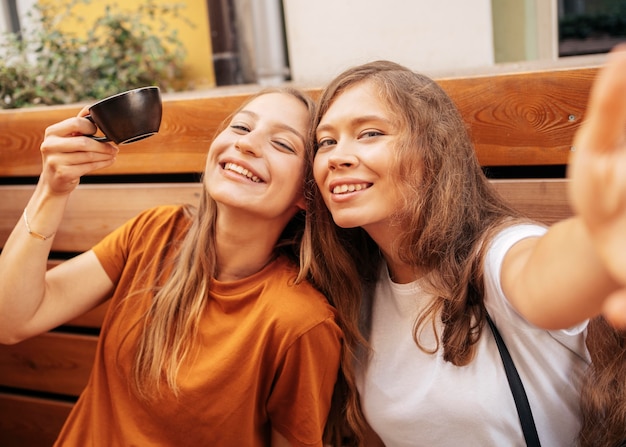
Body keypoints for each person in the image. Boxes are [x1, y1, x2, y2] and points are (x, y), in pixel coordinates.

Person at [307, 45, 626, 446]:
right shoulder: (359, 292)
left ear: (433, 151)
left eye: (370, 133)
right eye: (325, 142)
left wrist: (600, 235)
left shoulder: (495, 255)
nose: (337, 156)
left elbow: (543, 277)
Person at [0, 87, 356, 446]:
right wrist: (53, 188)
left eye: (283, 144)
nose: (246, 145)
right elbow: (11, 320)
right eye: (241, 128)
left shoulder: (302, 324)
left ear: (306, 194)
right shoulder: (153, 232)